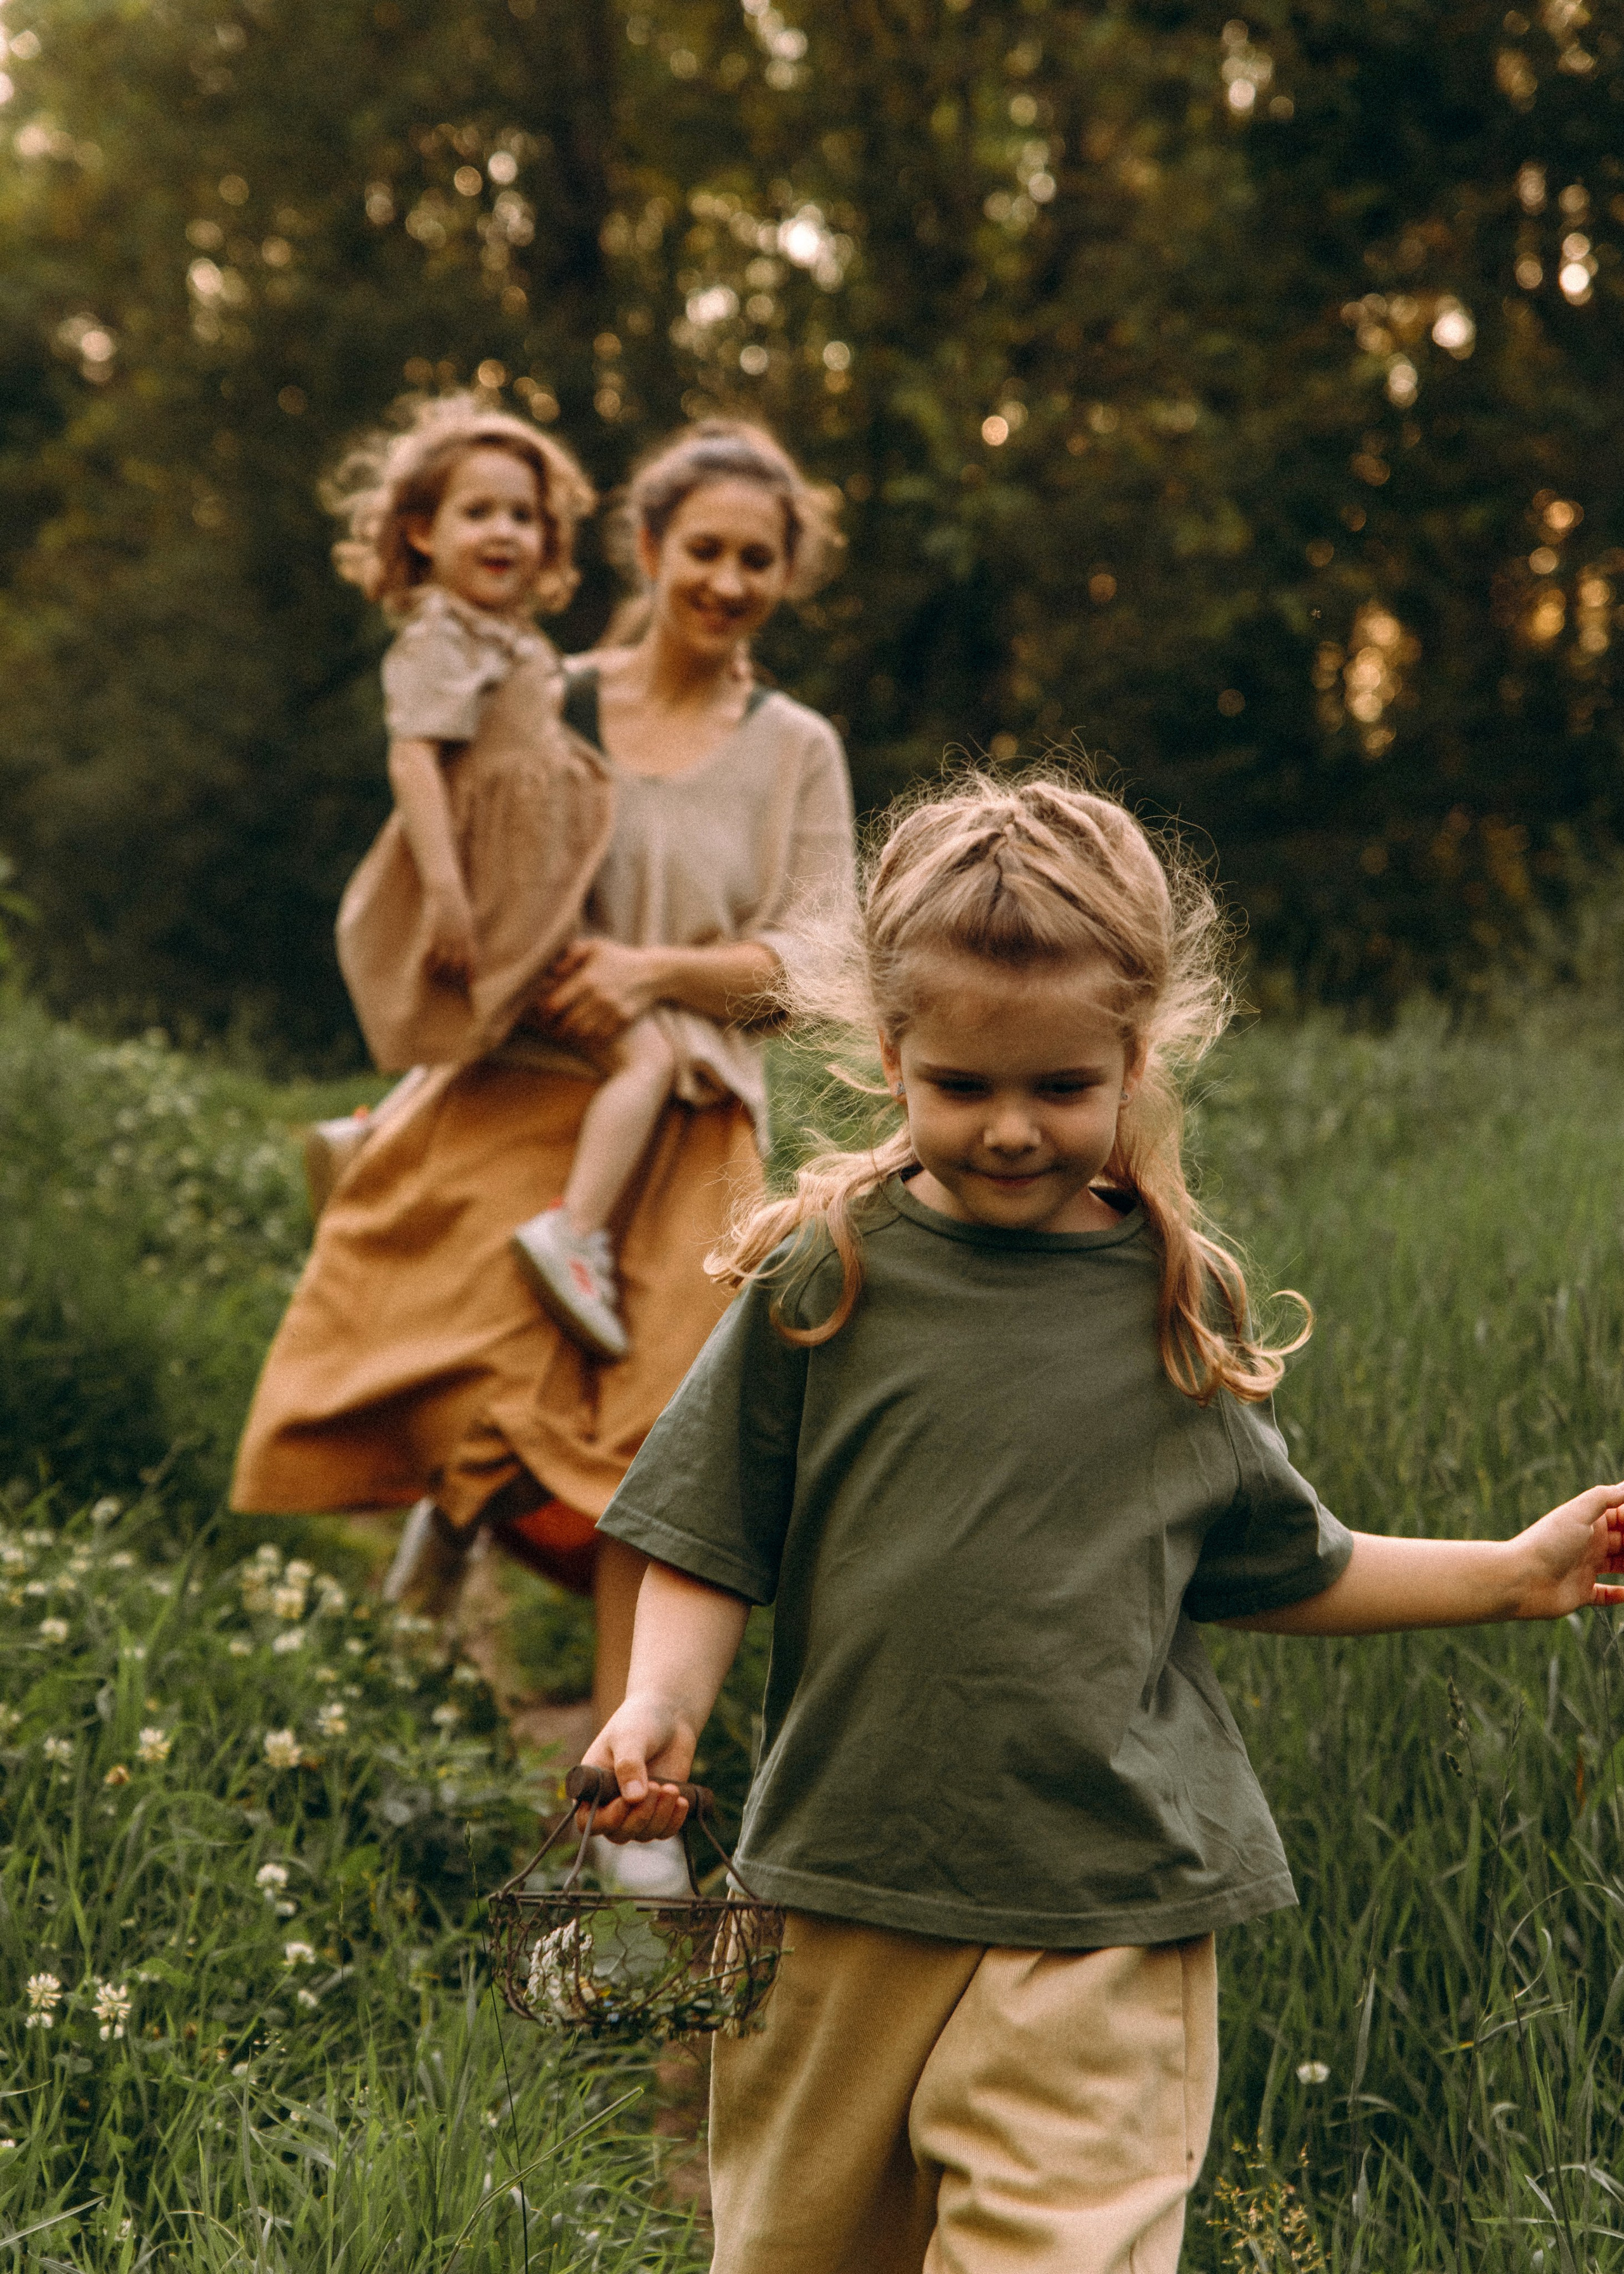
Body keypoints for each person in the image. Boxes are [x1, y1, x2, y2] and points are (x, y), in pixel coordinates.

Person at [578, 773, 1624, 2274]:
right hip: (839, 1882)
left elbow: (1281, 1564)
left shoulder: (1167, 1304)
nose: (1010, 1130)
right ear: (888, 1055)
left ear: (1135, 1060)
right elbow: (706, 1529)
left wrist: (1512, 1574)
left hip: (1107, 1901)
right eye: (960, 1086)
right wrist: (660, 1706)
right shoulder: (827, 1275)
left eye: (1060, 1087)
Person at [231, 418, 856, 1843]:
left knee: (651, 1454)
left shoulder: (796, 748)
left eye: (759, 559)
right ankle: (440, 1571)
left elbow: (816, 964)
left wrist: (653, 973)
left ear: (786, 575)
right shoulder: (545, 688)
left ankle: (615, 1801)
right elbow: (440, 847)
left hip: (687, 1109)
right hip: (515, 1083)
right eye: (705, 550)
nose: (729, 580)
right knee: (456, 1360)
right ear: (648, 548)